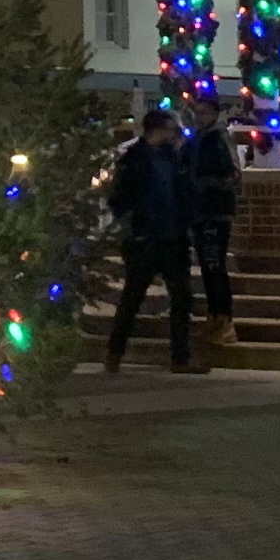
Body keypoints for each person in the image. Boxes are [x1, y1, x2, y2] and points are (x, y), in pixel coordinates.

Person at [102, 104, 205, 372]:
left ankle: (180, 357)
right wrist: (134, 228)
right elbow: (119, 198)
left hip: (173, 237)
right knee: (133, 297)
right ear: (158, 130)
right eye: (171, 129)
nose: (174, 135)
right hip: (146, 237)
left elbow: (183, 192)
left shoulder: (173, 158)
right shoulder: (134, 160)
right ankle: (115, 352)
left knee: (181, 297)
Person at [183, 108, 244, 331]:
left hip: (215, 211)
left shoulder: (219, 138)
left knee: (214, 264)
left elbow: (234, 174)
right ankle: (215, 315)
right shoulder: (195, 140)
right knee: (208, 267)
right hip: (199, 211)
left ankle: (223, 317)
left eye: (204, 111)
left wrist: (205, 186)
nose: (200, 116)